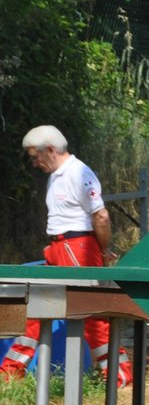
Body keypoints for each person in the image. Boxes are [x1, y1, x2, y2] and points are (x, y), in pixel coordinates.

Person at [1, 125, 132, 387]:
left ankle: (120, 374)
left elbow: (101, 215)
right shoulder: (58, 174)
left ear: (49, 150)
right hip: (63, 247)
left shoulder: (78, 172)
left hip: (78, 247)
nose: (34, 162)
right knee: (34, 306)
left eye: (34, 156)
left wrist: (101, 249)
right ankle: (11, 370)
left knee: (91, 313)